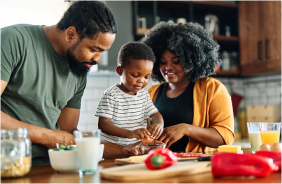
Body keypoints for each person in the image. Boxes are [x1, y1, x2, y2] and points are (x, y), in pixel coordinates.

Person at [1, 1, 117, 166]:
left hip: (51, 166)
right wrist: (48, 136)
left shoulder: (79, 68)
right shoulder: (13, 40)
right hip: (7, 165)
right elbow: (56, 137)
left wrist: (129, 149)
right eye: (93, 49)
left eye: (102, 52)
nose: (97, 59)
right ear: (71, 34)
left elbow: (66, 134)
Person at [140, 21, 235, 153]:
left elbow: (225, 136)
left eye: (176, 61)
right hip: (158, 164)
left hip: (193, 166)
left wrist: (186, 129)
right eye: (162, 62)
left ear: (191, 60)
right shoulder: (153, 92)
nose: (168, 67)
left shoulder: (212, 88)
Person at [95, 42, 164, 146]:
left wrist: (158, 124)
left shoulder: (143, 96)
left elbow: (155, 114)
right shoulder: (111, 95)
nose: (141, 81)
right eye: (135, 75)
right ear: (119, 70)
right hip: (113, 149)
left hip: (136, 148)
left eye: (146, 77)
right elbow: (103, 125)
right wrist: (128, 133)